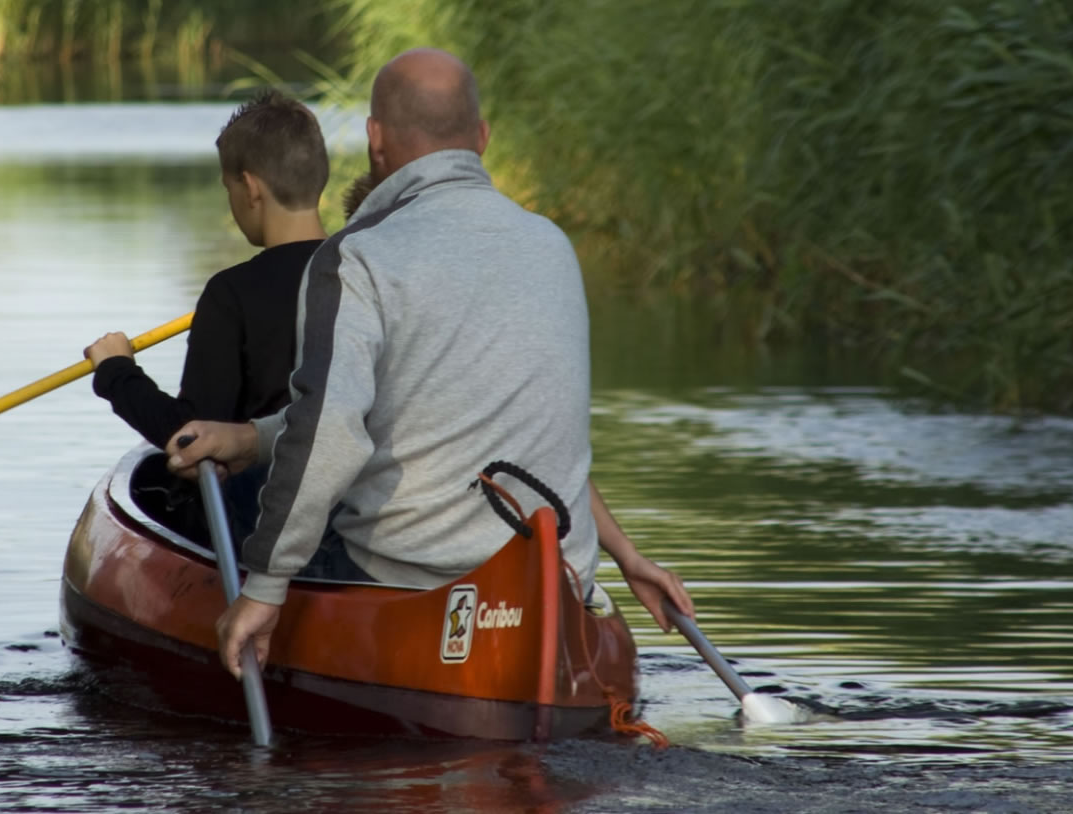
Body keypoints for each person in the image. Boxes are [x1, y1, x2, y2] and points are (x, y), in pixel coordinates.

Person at [165, 48, 695, 680]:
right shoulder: (552, 247)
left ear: (375, 140)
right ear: (481, 138)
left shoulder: (357, 259)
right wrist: (255, 437)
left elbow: (330, 434)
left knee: (246, 504)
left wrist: (265, 589)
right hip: (557, 584)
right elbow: (518, 427)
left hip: (416, 585)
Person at [83, 90, 329, 451]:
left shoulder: (232, 294)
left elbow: (191, 437)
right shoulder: (365, 268)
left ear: (250, 187)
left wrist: (116, 371)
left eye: (227, 188)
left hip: (264, 498)